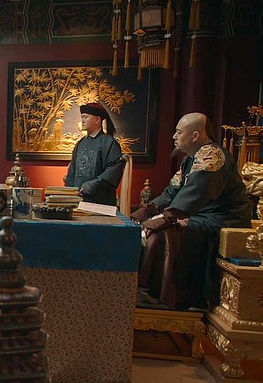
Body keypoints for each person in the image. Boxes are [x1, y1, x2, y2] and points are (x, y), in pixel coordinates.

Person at [131, 112, 251, 310]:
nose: (174, 136)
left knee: (166, 232)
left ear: (195, 135)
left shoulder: (212, 155)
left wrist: (167, 218)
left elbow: (197, 192)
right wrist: (145, 211)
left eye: (178, 132)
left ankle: (176, 294)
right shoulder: (190, 159)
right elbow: (171, 192)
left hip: (223, 219)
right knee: (149, 227)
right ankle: (154, 289)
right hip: (201, 214)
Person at [64, 102, 125, 206]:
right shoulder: (80, 143)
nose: (82, 120)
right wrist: (68, 193)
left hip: (100, 202)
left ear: (97, 119)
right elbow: (72, 171)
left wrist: (92, 185)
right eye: (82, 117)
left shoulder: (109, 142)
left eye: (85, 117)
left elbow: (113, 170)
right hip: (77, 200)